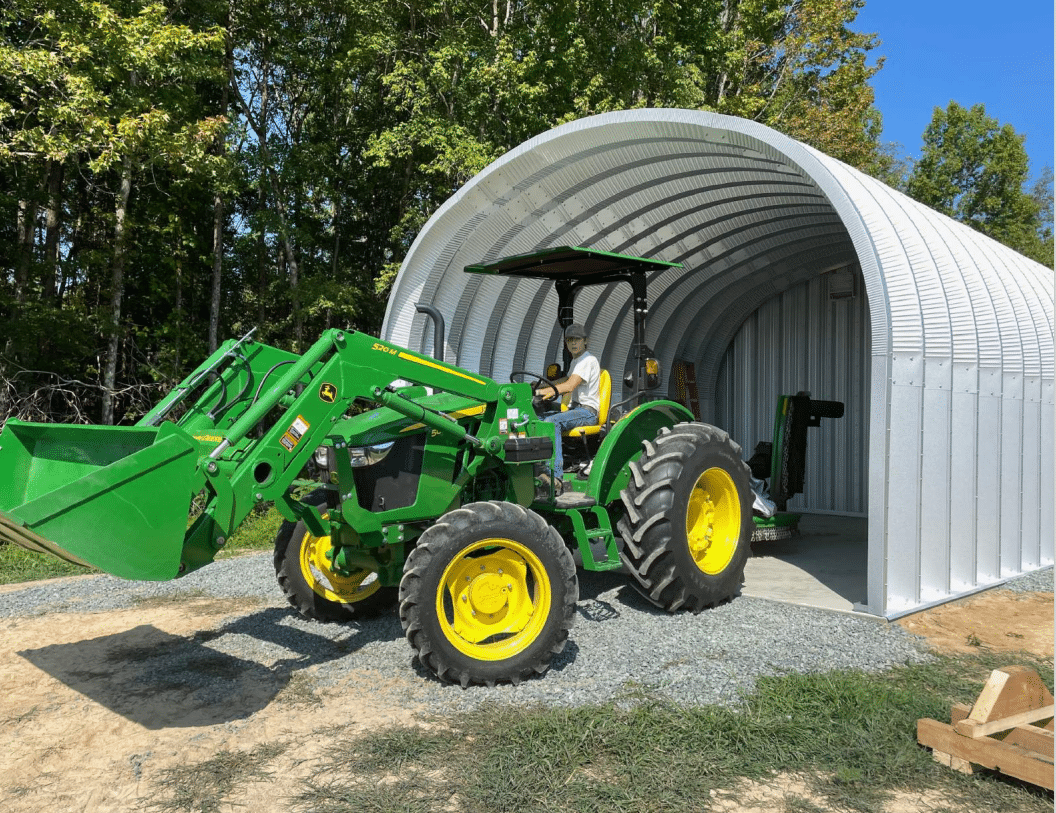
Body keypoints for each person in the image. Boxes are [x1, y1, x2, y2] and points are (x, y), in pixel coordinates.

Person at [535, 323, 601, 491]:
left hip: (587, 411)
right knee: (535, 418)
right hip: (575, 410)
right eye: (569, 340)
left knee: (552, 421)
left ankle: (556, 476)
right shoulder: (576, 362)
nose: (573, 343)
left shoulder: (588, 360)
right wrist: (539, 387)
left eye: (577, 339)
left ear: (585, 341)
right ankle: (536, 468)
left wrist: (547, 391)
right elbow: (564, 380)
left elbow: (570, 385)